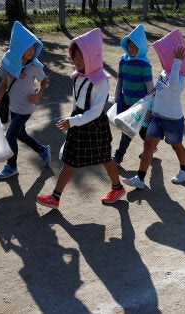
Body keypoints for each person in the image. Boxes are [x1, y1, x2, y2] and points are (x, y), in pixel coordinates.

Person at [36, 28, 125, 210]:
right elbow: (77, 104)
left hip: (94, 127)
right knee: (69, 161)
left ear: (92, 57)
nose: (77, 60)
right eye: (75, 56)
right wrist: (72, 121)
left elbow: (95, 112)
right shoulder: (77, 77)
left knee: (105, 159)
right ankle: (55, 198)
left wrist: (72, 121)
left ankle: (117, 187)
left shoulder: (101, 81)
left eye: (81, 56)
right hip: (78, 124)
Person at [123, 34, 185, 189]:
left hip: (172, 120)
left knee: (177, 146)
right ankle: (140, 178)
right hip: (156, 116)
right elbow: (158, 90)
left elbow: (172, 85)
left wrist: (177, 61)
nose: (161, 61)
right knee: (148, 145)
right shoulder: (164, 73)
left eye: (164, 59)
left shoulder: (181, 77)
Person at [0, 21, 50, 180]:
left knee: (10, 136)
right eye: (28, 47)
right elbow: (3, 84)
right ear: (18, 47)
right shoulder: (8, 62)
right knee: (20, 134)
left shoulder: (34, 66)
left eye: (33, 48)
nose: (31, 51)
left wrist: (38, 94)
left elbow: (44, 81)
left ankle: (11, 166)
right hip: (13, 106)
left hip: (26, 107)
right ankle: (42, 150)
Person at [112, 25, 154, 166]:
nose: (131, 49)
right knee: (127, 130)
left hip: (141, 106)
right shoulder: (123, 61)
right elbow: (120, 79)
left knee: (142, 131)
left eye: (135, 46)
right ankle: (119, 156)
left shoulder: (144, 65)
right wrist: (116, 95)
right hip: (127, 102)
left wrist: (151, 101)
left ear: (141, 47)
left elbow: (149, 86)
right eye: (129, 45)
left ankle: (148, 148)